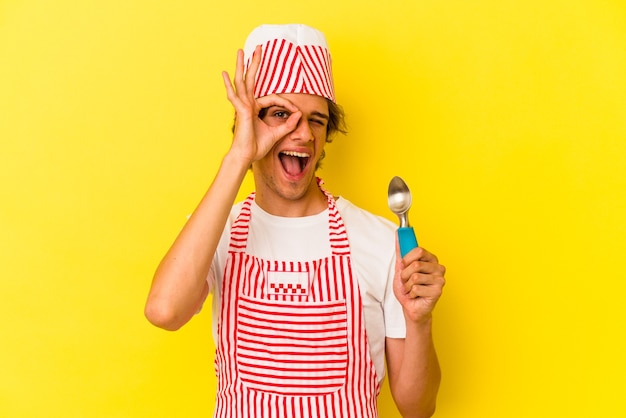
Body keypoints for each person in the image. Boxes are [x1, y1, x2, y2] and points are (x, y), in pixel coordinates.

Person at [145, 23, 446, 418]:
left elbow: (417, 407)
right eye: (280, 115)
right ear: (247, 123)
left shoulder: (380, 241)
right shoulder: (215, 232)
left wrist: (419, 319)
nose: (301, 134)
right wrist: (238, 157)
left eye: (316, 120)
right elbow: (165, 311)